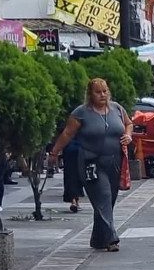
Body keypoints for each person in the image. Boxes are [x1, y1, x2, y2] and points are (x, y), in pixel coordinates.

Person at [50, 78, 133, 251]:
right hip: (91, 163)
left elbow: (128, 123)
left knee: (108, 201)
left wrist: (128, 135)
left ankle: (97, 239)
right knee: (103, 197)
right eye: (98, 92)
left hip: (115, 162)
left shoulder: (117, 108)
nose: (102, 95)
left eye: (105, 91)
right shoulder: (81, 112)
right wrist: (54, 152)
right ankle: (112, 239)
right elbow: (67, 133)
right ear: (90, 94)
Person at [62, 137, 84, 213]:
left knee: (70, 175)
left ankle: (74, 201)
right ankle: (76, 201)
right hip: (80, 148)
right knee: (78, 176)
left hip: (69, 148)